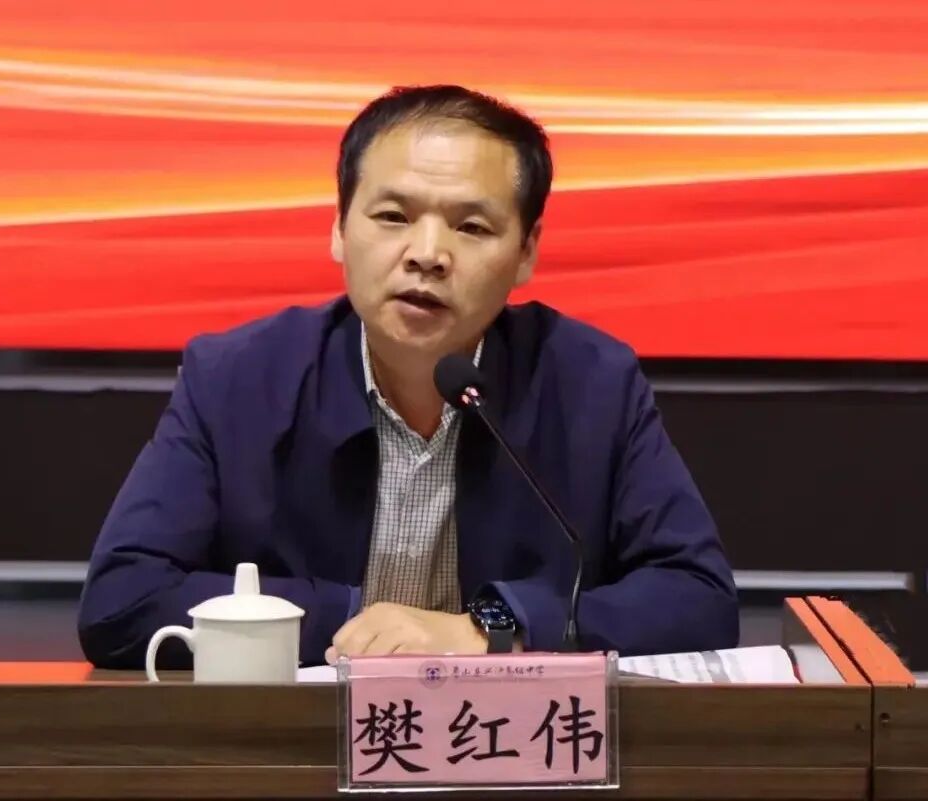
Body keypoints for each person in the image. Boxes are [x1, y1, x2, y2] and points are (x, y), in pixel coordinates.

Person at [78, 85, 738, 669]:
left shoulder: (591, 383)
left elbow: (699, 598)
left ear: (527, 252)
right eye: (393, 217)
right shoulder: (237, 378)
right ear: (339, 229)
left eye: (472, 226)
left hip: (507, 748)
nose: (427, 254)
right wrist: (360, 623)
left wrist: (488, 628)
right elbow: (121, 600)